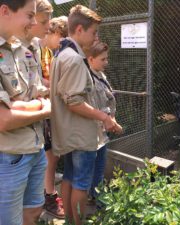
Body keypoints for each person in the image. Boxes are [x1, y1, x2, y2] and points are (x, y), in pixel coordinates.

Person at [50, 5, 118, 224]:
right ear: (79, 29)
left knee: (70, 177)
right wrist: (104, 117)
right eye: (93, 32)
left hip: (70, 132)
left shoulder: (62, 53)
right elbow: (74, 101)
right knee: (82, 183)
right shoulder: (75, 60)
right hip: (80, 134)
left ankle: (71, 220)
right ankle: (77, 222)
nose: (96, 36)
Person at [0, 0, 51, 224]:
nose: (33, 22)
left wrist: (24, 105)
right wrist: (43, 110)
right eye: (29, 15)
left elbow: (39, 92)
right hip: (8, 157)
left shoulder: (19, 49)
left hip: (35, 147)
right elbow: (4, 120)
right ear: (4, 11)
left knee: (33, 210)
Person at [39, 15, 68, 219]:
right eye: (62, 37)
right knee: (50, 157)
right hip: (42, 109)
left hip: (50, 108)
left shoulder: (50, 51)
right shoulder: (35, 48)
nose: (63, 42)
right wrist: (54, 86)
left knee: (53, 156)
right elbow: (37, 79)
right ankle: (49, 197)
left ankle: (47, 192)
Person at [87, 42, 122, 201]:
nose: (106, 62)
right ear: (91, 59)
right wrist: (108, 120)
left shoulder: (100, 74)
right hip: (91, 131)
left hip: (102, 130)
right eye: (103, 59)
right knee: (89, 167)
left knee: (100, 166)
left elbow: (109, 99)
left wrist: (112, 118)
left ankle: (96, 195)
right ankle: (95, 197)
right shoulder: (88, 78)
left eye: (107, 59)